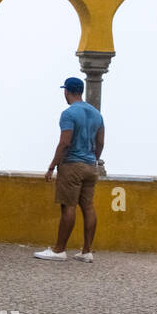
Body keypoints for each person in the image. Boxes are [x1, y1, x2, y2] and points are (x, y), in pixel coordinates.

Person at [34, 77, 105, 262]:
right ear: (81, 91)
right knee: (88, 207)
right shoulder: (97, 114)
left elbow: (65, 142)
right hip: (91, 165)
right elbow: (100, 142)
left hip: (72, 164)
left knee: (69, 206)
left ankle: (59, 250)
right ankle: (87, 251)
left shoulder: (69, 113)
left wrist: (51, 166)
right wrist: (94, 159)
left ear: (67, 91)